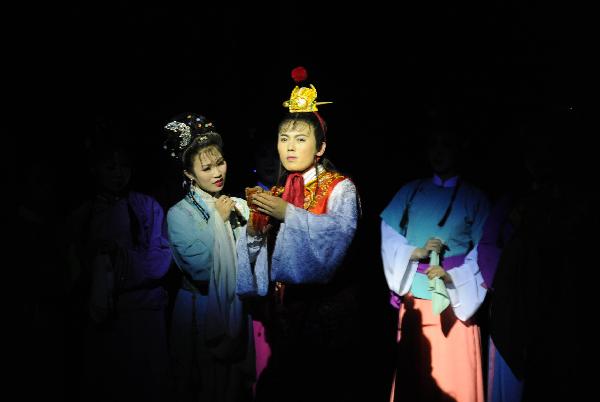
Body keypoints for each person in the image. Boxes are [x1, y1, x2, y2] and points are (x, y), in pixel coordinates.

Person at [236, 67, 361, 402]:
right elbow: (257, 250)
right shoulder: (278, 189)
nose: (290, 147)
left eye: (301, 139)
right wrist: (252, 227)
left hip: (327, 310)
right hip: (285, 311)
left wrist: (287, 214)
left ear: (320, 148)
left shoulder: (340, 187)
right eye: (284, 139)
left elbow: (338, 237)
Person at [380, 127, 490, 402]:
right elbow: (389, 235)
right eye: (434, 145)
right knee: (415, 377)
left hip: (456, 301)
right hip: (415, 299)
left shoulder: (475, 198)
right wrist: (414, 253)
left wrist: (453, 277)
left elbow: (484, 252)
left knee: (454, 379)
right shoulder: (411, 191)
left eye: (446, 145)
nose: (438, 153)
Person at [66, 130, 172, 402]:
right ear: (94, 169)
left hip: (144, 312)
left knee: (146, 381)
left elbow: (161, 258)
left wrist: (120, 257)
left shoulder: (145, 206)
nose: (118, 174)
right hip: (103, 316)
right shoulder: (84, 214)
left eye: (124, 166)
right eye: (110, 167)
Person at [164, 113, 254, 402]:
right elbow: (201, 269)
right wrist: (219, 220)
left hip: (236, 306)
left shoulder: (239, 204)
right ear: (189, 173)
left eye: (220, 163)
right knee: (201, 382)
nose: (217, 173)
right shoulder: (179, 214)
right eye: (206, 168)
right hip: (197, 307)